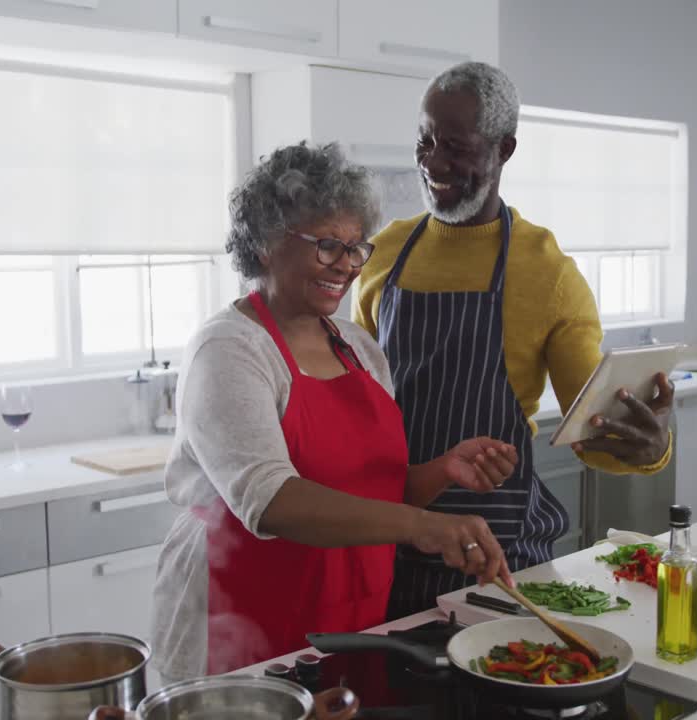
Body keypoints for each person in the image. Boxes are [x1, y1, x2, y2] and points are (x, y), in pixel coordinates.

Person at [150, 141, 518, 682]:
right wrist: (424, 527)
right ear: (268, 243)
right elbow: (271, 500)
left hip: (350, 618)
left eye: (355, 248)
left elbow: (373, 496)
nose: (346, 266)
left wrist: (441, 473)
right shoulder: (229, 349)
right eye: (327, 245)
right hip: (241, 621)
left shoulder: (360, 347)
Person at [353, 62, 676, 619]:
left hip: (496, 562)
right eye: (425, 142)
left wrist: (651, 450)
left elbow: (594, 428)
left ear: (504, 150)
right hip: (385, 540)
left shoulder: (546, 272)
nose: (433, 163)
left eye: (455, 146)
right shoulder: (383, 252)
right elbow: (356, 400)